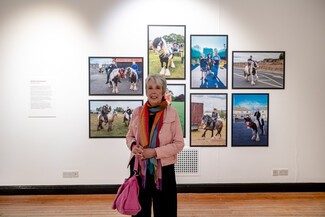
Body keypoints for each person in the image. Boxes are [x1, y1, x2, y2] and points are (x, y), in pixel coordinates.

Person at [126, 74, 185, 217]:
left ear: (163, 91)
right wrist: (133, 146)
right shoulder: (137, 112)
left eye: (157, 88)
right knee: (140, 210)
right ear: (146, 91)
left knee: (166, 210)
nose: (153, 91)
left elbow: (179, 144)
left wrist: (154, 152)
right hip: (139, 168)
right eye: (150, 88)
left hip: (164, 169)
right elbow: (129, 136)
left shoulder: (172, 113)